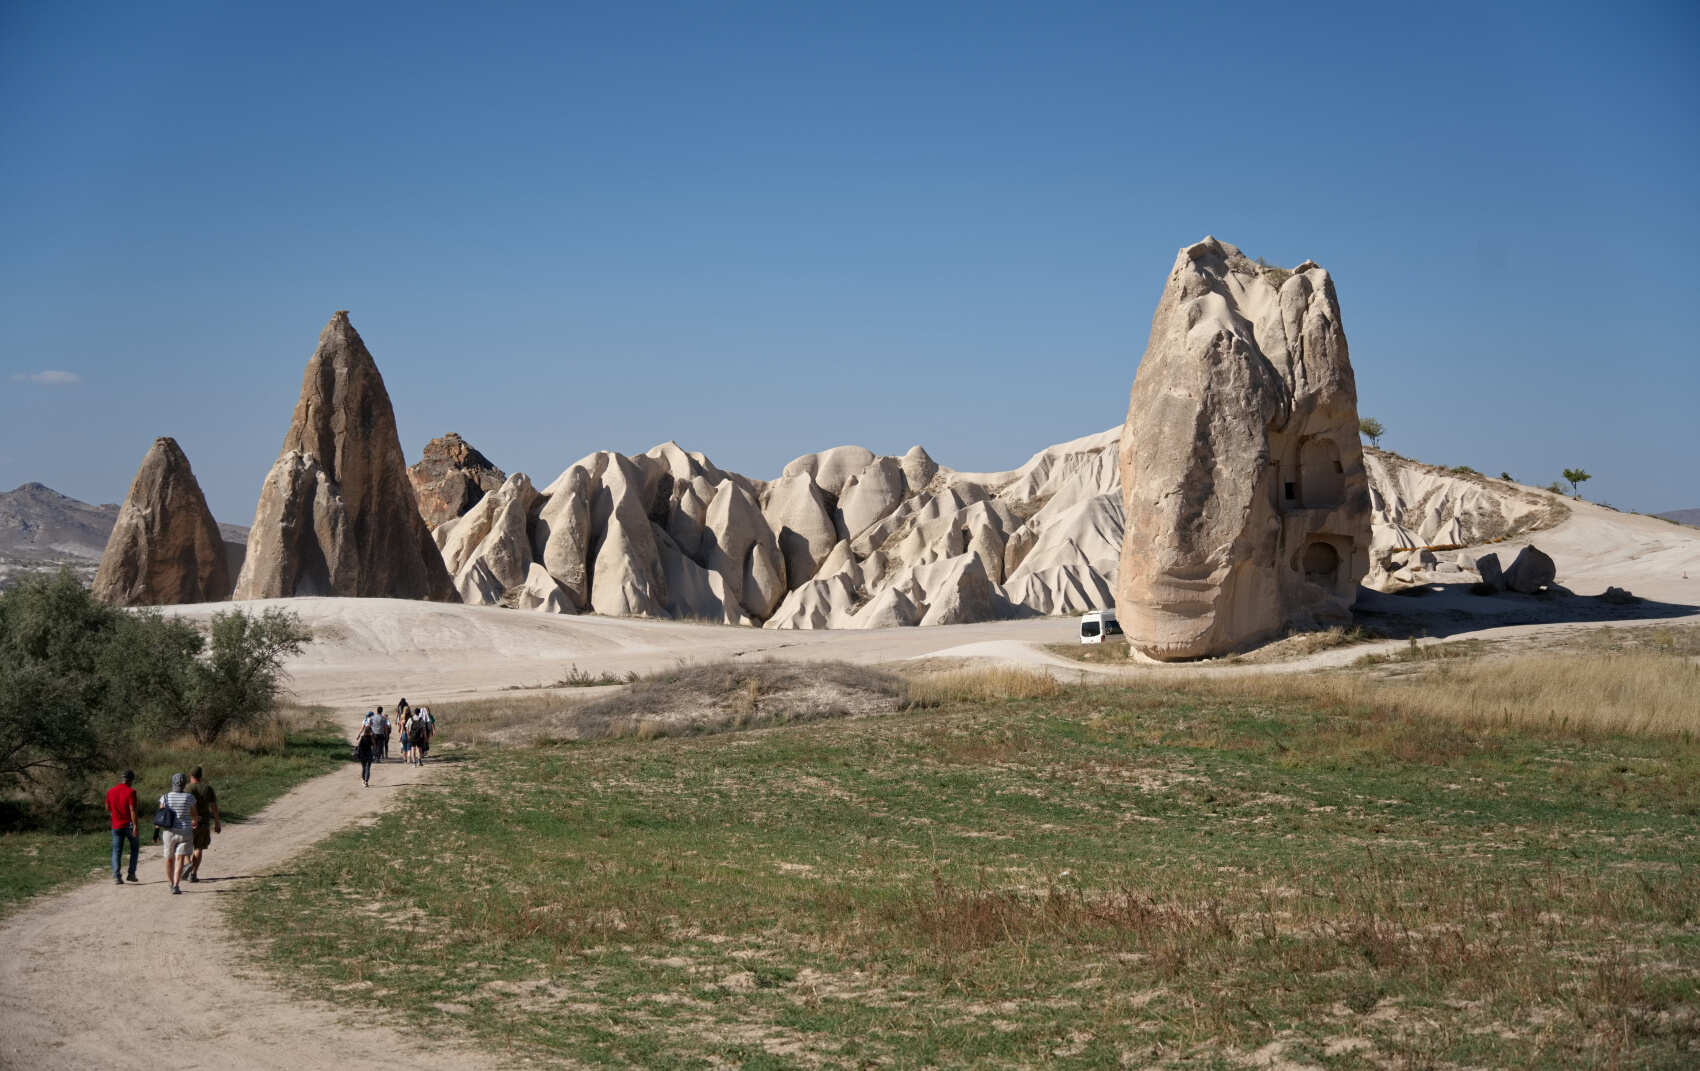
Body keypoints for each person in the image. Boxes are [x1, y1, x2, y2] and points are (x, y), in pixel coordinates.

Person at [159, 772, 198, 894]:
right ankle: (176, 885)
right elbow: (194, 815)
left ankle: (170, 883)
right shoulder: (189, 797)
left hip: (169, 831)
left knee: (168, 858)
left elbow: (161, 813)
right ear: (184, 784)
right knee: (180, 858)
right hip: (185, 831)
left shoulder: (165, 797)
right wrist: (194, 822)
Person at [184, 765, 221, 883]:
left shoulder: (187, 788)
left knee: (186, 846)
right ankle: (193, 873)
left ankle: (187, 864)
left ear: (190, 776)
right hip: (203, 821)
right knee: (198, 847)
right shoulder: (207, 788)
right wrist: (217, 822)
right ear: (201, 776)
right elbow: (214, 807)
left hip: (188, 821)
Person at [105, 769, 140, 885]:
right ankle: (131, 874)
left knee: (116, 851)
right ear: (131, 780)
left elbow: (107, 808)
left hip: (116, 825)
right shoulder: (131, 792)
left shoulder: (111, 791)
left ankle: (116, 876)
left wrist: (114, 813)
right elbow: (132, 810)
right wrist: (135, 826)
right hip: (129, 825)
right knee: (134, 848)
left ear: (122, 779)